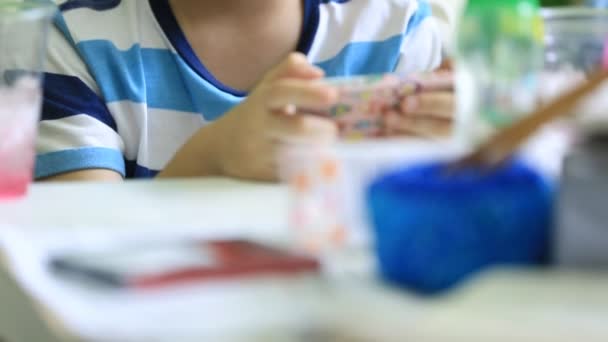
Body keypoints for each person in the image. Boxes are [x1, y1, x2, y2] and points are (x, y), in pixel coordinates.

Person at [38, 0, 453, 182]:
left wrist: (460, 156)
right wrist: (214, 156)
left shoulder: (396, 30)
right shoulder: (68, 40)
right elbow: (71, 250)